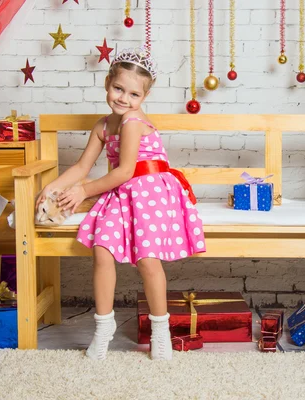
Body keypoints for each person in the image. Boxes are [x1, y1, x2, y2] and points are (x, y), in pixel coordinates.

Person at [36, 47, 206, 360]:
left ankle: (160, 331)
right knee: (102, 250)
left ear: (145, 96)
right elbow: (82, 167)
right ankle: (103, 328)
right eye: (118, 89)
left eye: (133, 94)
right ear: (107, 84)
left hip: (151, 190)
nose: (123, 99)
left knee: (147, 259)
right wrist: (53, 186)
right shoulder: (102, 126)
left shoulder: (132, 122)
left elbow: (126, 170)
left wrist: (83, 192)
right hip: (122, 191)